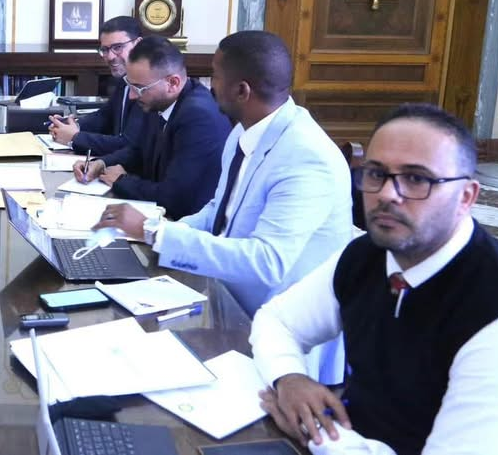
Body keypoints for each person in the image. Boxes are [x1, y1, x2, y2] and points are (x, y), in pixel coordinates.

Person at [249, 103, 498, 455]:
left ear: (466, 197)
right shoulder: (369, 252)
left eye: (416, 178)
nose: (386, 194)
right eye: (376, 173)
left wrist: (320, 435)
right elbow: (276, 320)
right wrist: (289, 377)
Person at [93, 30, 352, 383]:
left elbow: (267, 262)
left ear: (242, 90)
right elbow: (218, 210)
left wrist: (156, 232)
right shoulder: (244, 132)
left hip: (281, 339)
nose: (208, 85)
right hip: (226, 302)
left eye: (215, 76)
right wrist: (157, 235)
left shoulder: (306, 156)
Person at [72, 35, 230, 219]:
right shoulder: (159, 101)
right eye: (130, 85)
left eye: (139, 88)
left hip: (183, 222)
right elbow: (139, 150)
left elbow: (174, 198)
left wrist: (122, 181)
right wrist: (101, 163)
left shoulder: (197, 117)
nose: (132, 96)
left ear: (172, 83)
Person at [47, 16, 146, 155]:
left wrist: (74, 138)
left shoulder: (148, 86)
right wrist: (72, 125)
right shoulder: (124, 79)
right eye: (105, 49)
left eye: (118, 47)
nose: (110, 57)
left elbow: (129, 145)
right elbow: (105, 116)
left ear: (138, 44)